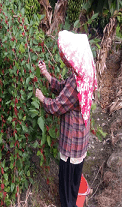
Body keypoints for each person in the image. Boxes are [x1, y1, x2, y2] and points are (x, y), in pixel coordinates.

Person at [35, 30, 97, 207]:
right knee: (74, 182)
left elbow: (57, 106)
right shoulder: (83, 73)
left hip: (71, 144)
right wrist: (47, 74)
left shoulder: (76, 84)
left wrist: (42, 99)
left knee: (67, 188)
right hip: (80, 141)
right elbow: (63, 88)